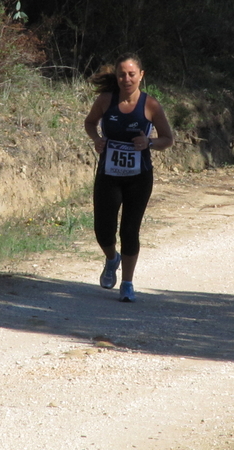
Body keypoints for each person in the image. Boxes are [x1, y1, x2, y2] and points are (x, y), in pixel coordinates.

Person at [83, 54, 174, 302]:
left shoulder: (150, 105)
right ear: (117, 76)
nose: (126, 79)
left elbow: (168, 139)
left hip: (139, 177)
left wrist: (149, 142)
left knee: (130, 230)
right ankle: (112, 259)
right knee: (103, 230)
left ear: (141, 75)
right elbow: (90, 123)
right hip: (108, 175)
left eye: (132, 74)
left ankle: (127, 283)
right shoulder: (105, 101)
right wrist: (97, 139)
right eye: (122, 74)